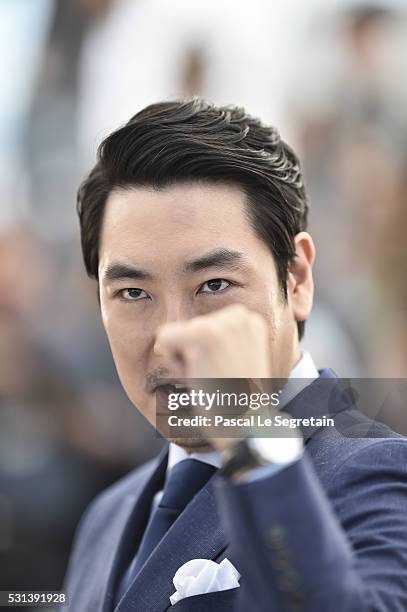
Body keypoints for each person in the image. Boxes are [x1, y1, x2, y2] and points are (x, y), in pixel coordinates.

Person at [63, 98, 407, 611]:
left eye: (214, 284)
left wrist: (250, 429)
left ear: (297, 278)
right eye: (134, 293)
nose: (171, 336)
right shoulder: (106, 518)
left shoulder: (380, 473)